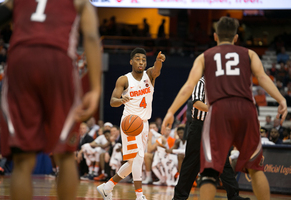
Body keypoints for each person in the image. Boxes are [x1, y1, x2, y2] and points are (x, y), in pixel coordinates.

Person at [161, 16, 287, 200]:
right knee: (255, 169)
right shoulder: (249, 54)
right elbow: (262, 77)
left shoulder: (205, 57)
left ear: (215, 36)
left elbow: (188, 86)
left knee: (210, 171)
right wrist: (281, 99)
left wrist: (171, 111)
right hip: (246, 109)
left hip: (220, 111)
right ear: (236, 37)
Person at [0, 0, 102, 199]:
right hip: (58, 62)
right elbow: (92, 36)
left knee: (23, 160)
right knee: (66, 155)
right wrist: (95, 89)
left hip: (21, 61)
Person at [97, 48, 165, 200]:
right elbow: (112, 101)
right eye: (138, 59)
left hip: (144, 123)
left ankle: (107, 187)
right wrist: (121, 100)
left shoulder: (149, 76)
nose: (141, 62)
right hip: (130, 122)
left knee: (133, 162)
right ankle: (139, 195)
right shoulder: (124, 80)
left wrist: (158, 61)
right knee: (138, 157)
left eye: (143, 60)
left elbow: (156, 71)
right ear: (131, 61)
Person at [171, 77, 249, 200]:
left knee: (223, 162)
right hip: (200, 126)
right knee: (191, 163)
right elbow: (196, 103)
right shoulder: (201, 82)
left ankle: (234, 195)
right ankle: (179, 197)